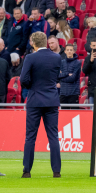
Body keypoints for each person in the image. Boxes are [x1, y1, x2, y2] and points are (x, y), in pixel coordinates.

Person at [20, 31, 61, 178]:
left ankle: (27, 171)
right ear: (46, 42)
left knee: (30, 137)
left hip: (35, 100)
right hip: (51, 100)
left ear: (33, 43)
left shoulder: (30, 57)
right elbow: (57, 77)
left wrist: (32, 86)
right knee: (53, 136)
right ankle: (56, 171)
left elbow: (23, 79)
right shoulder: (56, 58)